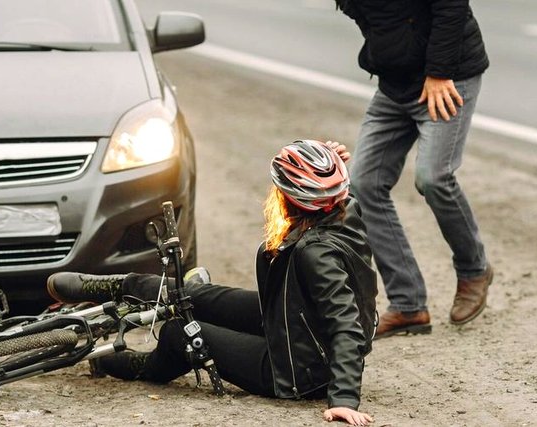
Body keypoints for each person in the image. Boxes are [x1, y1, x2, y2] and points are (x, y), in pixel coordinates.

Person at [46, 140, 379, 426]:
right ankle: (114, 286)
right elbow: (328, 189)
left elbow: (346, 324)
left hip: (296, 368)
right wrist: (322, 166)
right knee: (191, 294)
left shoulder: (316, 254)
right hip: (291, 321)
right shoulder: (345, 208)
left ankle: (127, 363)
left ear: (291, 198)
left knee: (180, 331)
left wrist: (345, 399)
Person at [335, 0, 494, 336]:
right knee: (361, 184)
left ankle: (474, 269)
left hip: (446, 79)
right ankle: (408, 304)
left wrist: (438, 72)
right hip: (395, 86)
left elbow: (451, 8)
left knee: (433, 178)